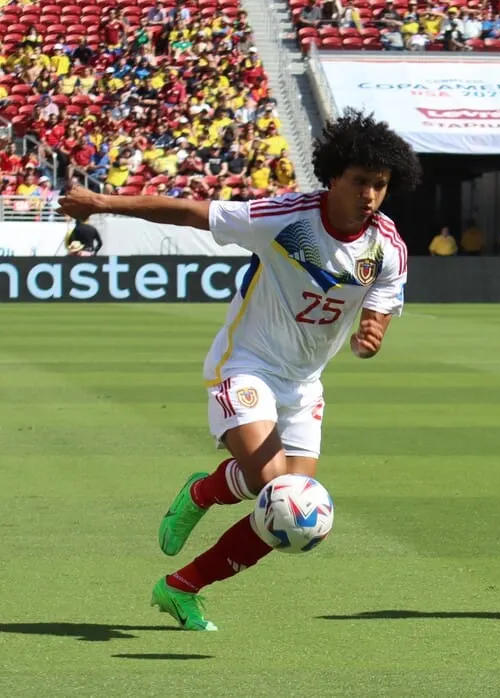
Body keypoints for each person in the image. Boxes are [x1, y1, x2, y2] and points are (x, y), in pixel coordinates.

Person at [57, 108, 422, 632]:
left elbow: (376, 321)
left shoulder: (387, 248)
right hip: (246, 365)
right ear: (334, 177)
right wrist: (101, 203)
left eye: (380, 185)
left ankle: (182, 584)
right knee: (277, 490)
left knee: (289, 517)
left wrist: (371, 340)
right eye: (361, 181)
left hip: (304, 384)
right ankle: (206, 494)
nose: (369, 194)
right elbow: (187, 212)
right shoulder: (286, 217)